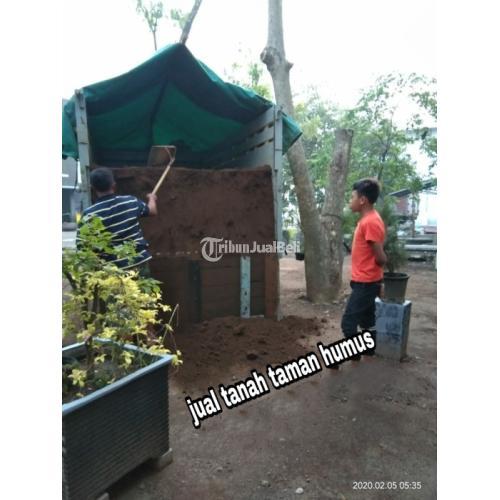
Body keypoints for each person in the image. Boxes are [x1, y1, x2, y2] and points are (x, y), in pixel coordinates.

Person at [77, 167, 158, 275]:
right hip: (139, 263)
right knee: (145, 286)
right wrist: (152, 198)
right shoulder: (130, 201)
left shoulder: (89, 214)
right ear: (114, 185)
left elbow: (82, 246)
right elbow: (152, 211)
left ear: (92, 188)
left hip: (112, 270)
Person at [341, 178, 387, 360]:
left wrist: (379, 276)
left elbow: (380, 257)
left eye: (352, 197)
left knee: (348, 322)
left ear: (362, 200)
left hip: (366, 282)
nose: (350, 200)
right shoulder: (368, 220)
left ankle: (354, 354)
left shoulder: (370, 222)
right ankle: (369, 349)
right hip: (366, 280)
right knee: (367, 320)